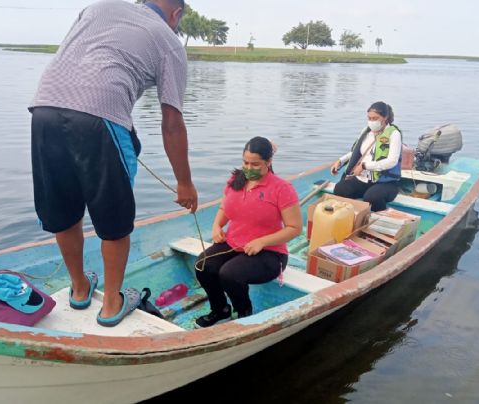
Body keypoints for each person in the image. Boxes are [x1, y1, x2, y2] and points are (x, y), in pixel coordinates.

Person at [29, 0, 197, 327]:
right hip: (100, 119)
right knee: (115, 221)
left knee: (63, 210)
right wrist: (184, 182)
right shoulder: (169, 41)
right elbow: (172, 122)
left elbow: (85, 63)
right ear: (176, 14)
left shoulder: (98, 7)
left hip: (44, 108)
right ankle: (110, 305)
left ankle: (79, 288)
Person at [194, 137, 302, 327]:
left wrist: (262, 241)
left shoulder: (281, 188)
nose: (249, 167)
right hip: (234, 244)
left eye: (255, 164)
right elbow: (224, 208)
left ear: (268, 163)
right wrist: (217, 227)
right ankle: (221, 310)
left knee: (229, 274)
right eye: (245, 162)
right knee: (203, 265)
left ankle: (244, 312)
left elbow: (294, 228)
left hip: (269, 253)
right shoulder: (236, 180)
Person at [330, 101, 402, 212]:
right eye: (369, 118)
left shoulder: (394, 134)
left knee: (372, 197)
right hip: (362, 179)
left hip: (384, 182)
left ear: (385, 117)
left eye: (375, 118)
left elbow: (392, 161)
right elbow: (356, 152)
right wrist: (340, 160)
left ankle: (379, 221)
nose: (371, 121)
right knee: (340, 189)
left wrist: (365, 166)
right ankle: (349, 216)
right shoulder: (366, 131)